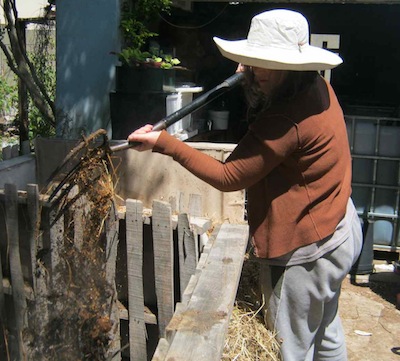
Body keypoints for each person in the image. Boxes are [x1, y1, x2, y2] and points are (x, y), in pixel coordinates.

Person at [128, 9, 363, 361]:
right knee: (326, 333)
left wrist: (165, 144)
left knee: (291, 349)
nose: (253, 70)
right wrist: (258, 75)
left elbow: (229, 176)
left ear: (290, 65)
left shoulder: (285, 120)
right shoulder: (317, 86)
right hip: (341, 229)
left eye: (262, 62)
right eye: (252, 62)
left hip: (308, 253)